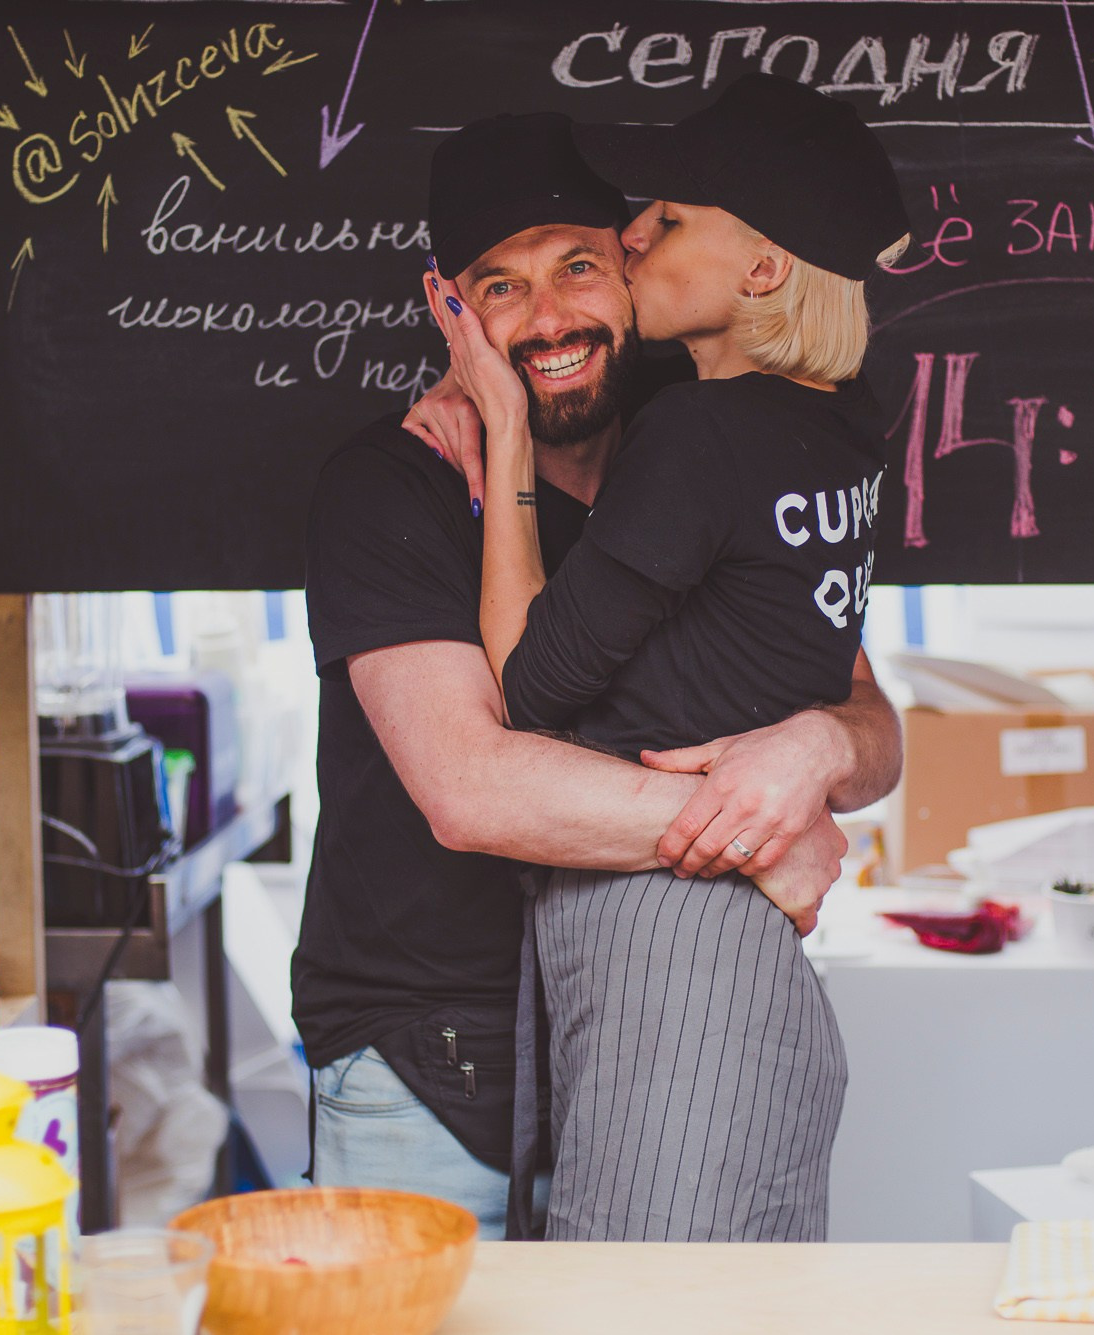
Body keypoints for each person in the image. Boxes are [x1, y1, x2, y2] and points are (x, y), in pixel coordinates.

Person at [294, 110, 903, 1239]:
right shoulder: (389, 487)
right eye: (500, 287)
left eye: (577, 265)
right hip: (428, 1057)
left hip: (641, 1022)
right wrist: (757, 829)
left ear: (628, 272)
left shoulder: (709, 445)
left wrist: (813, 749)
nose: (549, 317)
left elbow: (864, 713)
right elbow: (471, 787)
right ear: (452, 312)